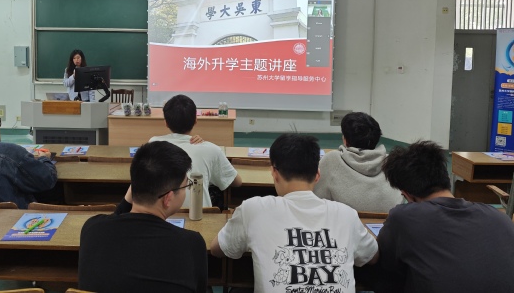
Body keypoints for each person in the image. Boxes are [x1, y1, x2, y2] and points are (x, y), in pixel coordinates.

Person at [211, 134, 378, 293]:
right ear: (318, 175)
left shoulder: (253, 209)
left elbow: (217, 249)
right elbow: (373, 256)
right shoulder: (347, 215)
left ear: (274, 173)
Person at [374, 140, 514, 293]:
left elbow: (383, 265)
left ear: (407, 195)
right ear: (444, 176)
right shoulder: (499, 218)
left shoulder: (403, 218)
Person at [78, 140, 207, 293]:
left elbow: (113, 222)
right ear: (168, 198)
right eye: (186, 185)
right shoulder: (191, 244)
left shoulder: (92, 228)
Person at [149, 94, 241, 208]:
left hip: (163, 214)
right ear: (195, 120)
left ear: (166, 122)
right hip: (200, 216)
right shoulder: (211, 149)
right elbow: (237, 182)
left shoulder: (152, 144)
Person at [314, 112, 402, 212]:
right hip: (388, 218)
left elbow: (316, 197)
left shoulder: (332, 159)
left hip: (343, 219)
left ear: (345, 140)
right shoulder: (391, 162)